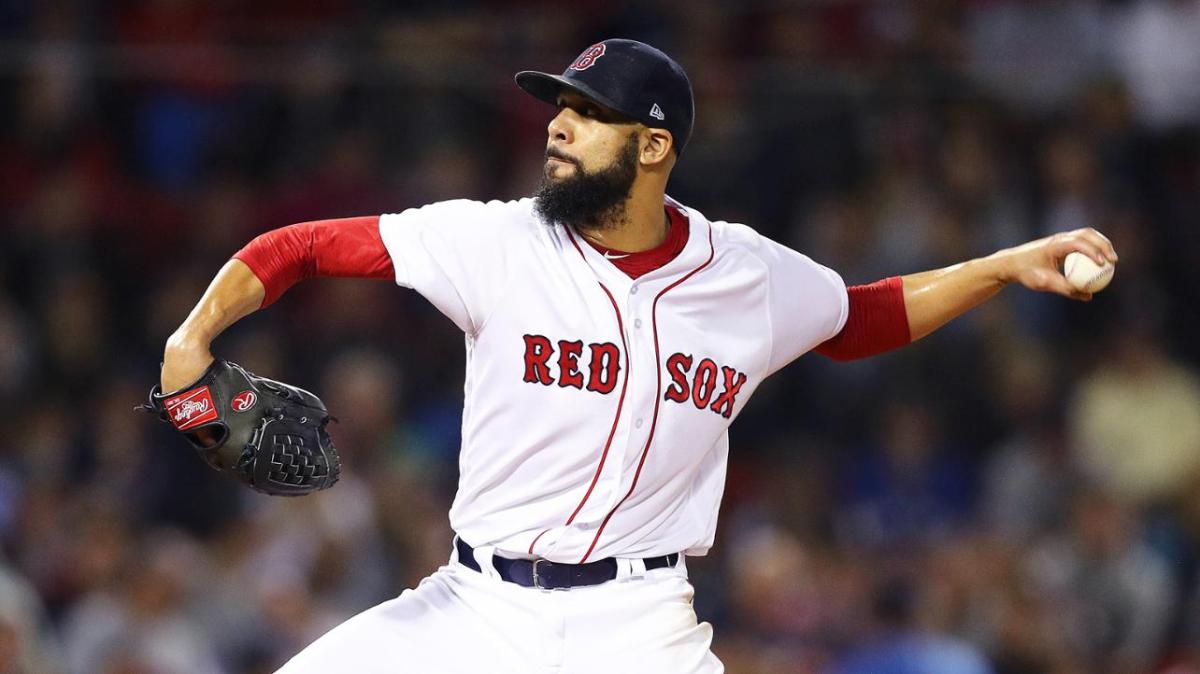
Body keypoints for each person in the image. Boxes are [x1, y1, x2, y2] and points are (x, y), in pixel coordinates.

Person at [157, 39, 1117, 673]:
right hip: (473, 608)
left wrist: (1001, 266)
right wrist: (193, 338)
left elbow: (861, 318)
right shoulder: (498, 241)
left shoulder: (744, 273)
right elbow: (300, 247)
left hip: (639, 625)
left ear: (653, 146)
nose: (557, 124)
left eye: (587, 112)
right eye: (559, 107)